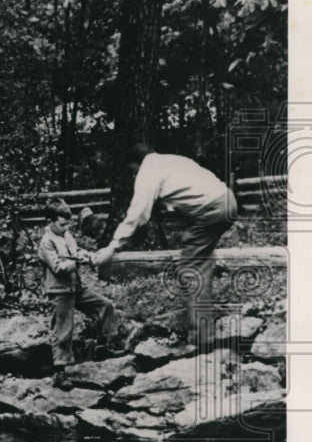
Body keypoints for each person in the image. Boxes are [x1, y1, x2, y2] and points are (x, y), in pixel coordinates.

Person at [92, 143, 238, 346]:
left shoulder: (148, 171)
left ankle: (203, 338)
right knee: (199, 257)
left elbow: (138, 213)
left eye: (133, 171)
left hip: (213, 208)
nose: (134, 175)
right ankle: (203, 320)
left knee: (191, 266)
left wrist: (113, 246)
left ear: (135, 165)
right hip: (226, 200)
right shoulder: (172, 160)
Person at [38, 198, 117, 390]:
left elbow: (76, 250)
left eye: (67, 223)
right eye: (62, 223)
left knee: (105, 306)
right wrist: (77, 262)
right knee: (63, 332)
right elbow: (57, 267)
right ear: (50, 221)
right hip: (60, 291)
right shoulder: (46, 242)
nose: (66, 227)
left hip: (76, 287)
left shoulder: (66, 235)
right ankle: (60, 372)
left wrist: (89, 255)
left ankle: (104, 347)